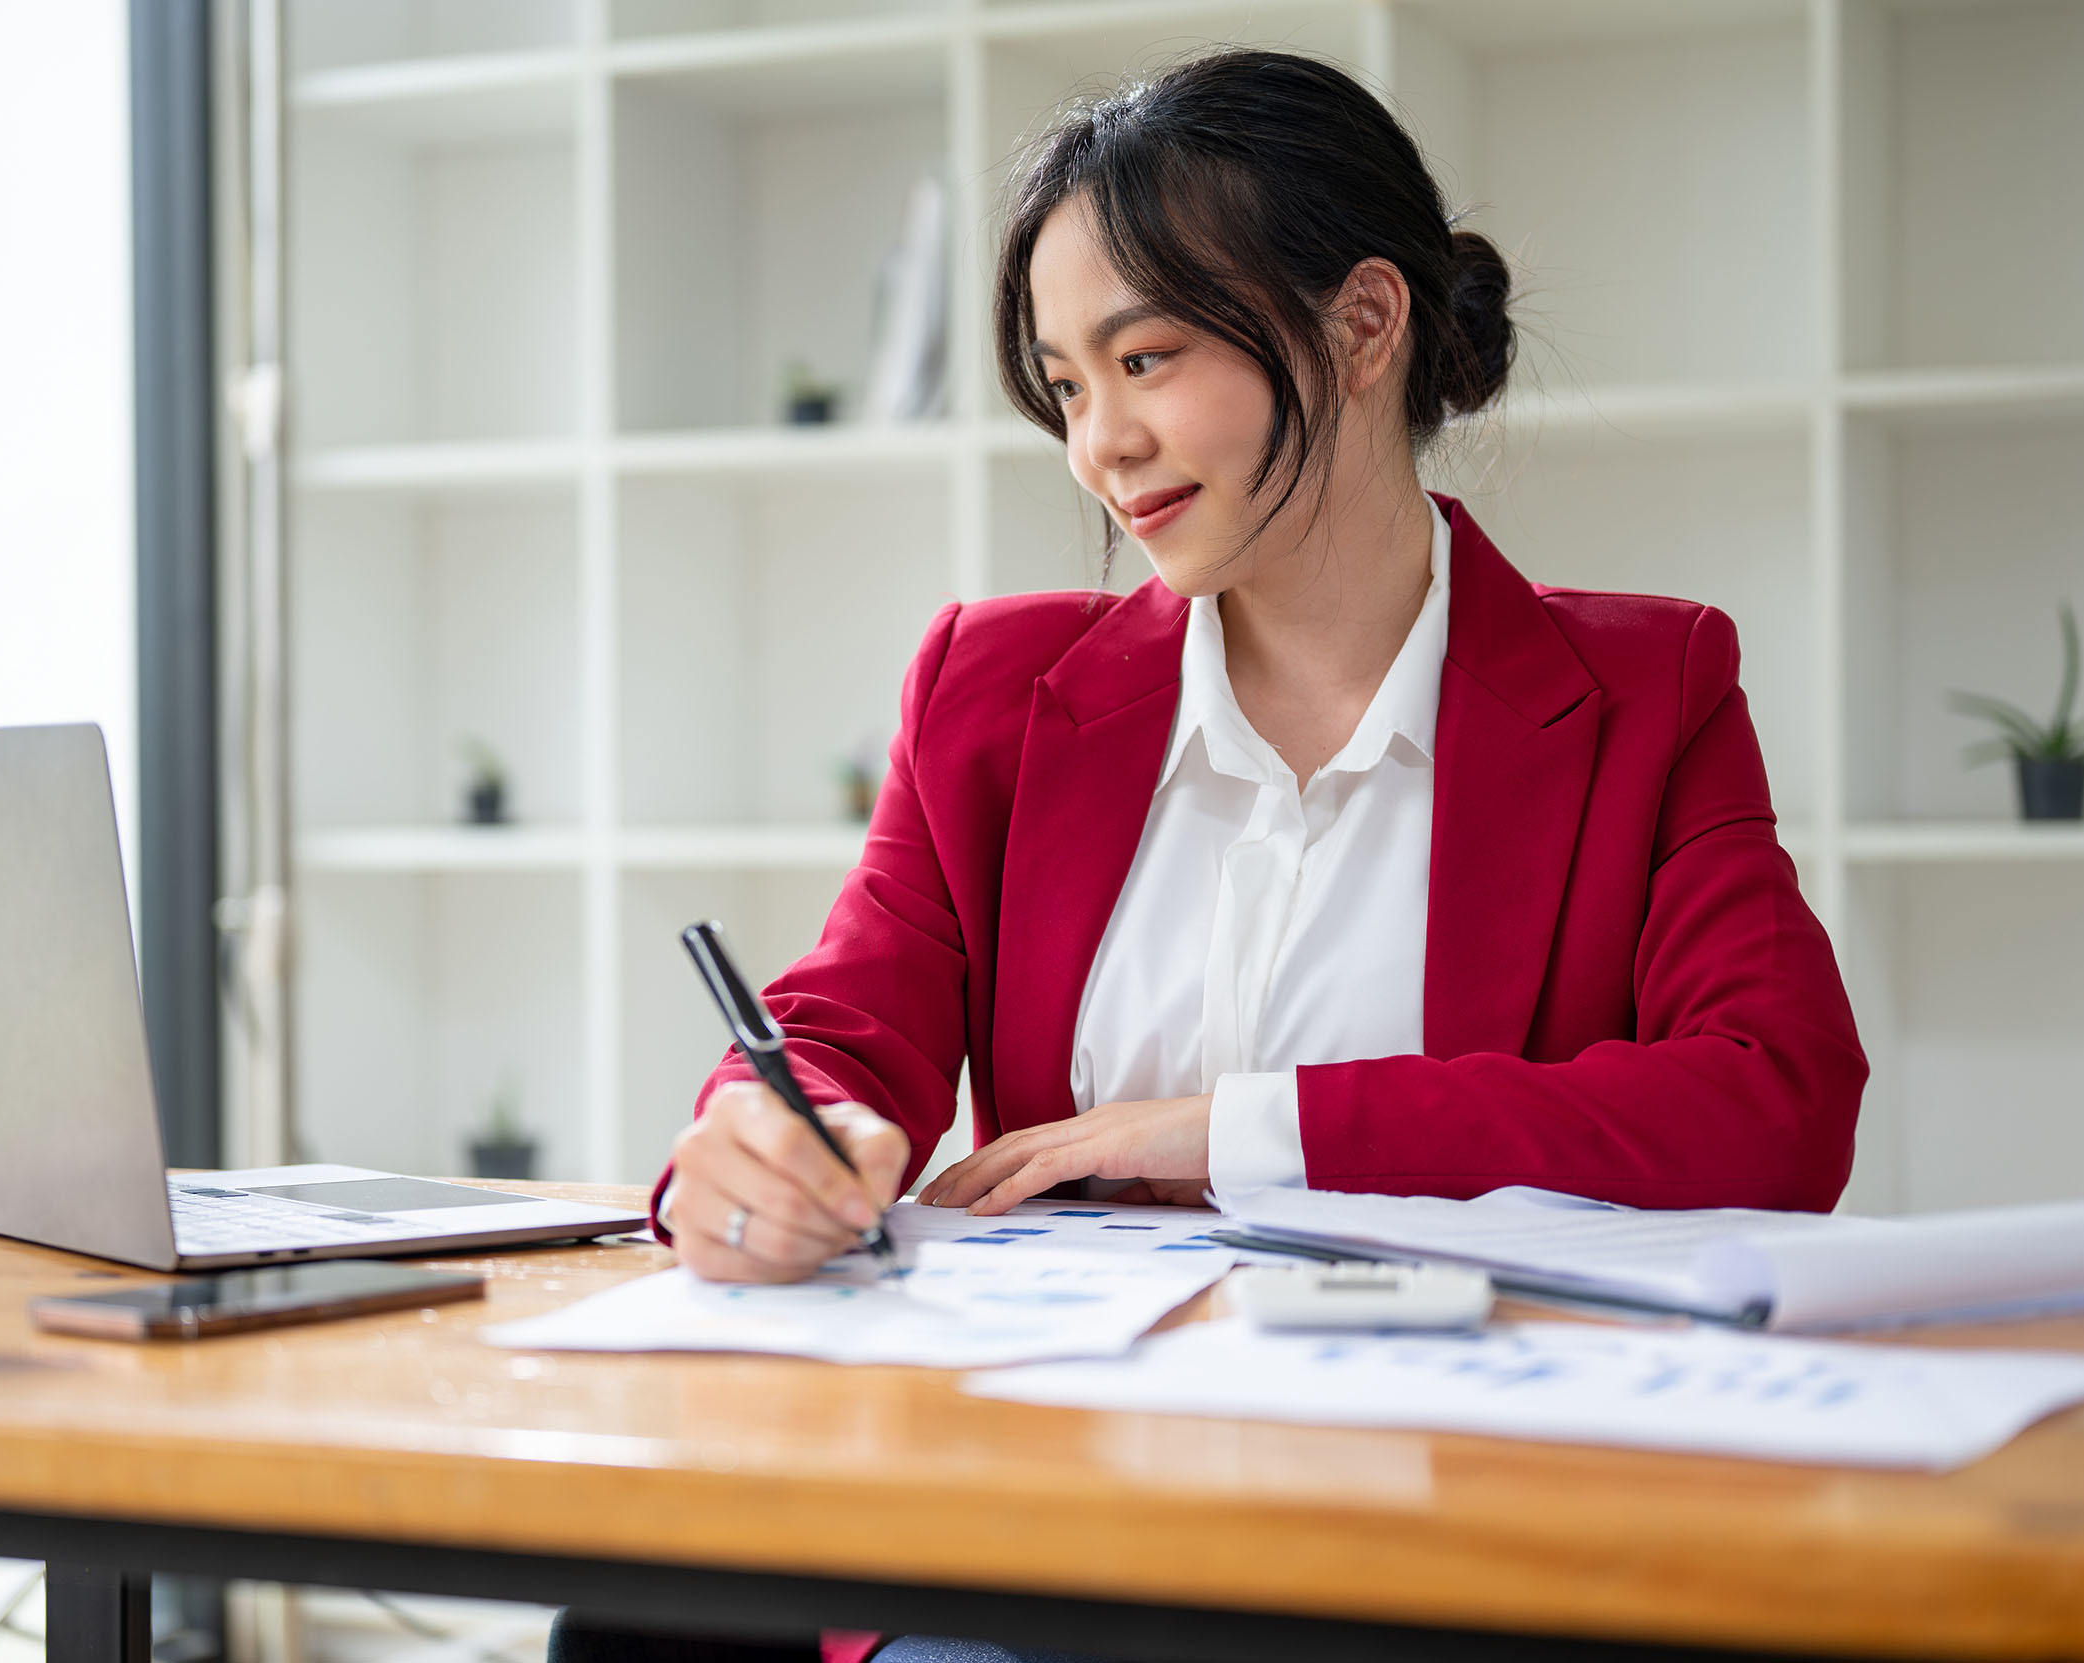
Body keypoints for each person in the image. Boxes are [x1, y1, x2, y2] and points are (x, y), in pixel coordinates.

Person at [565, 46, 1865, 1658]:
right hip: (1051, 1505)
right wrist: (778, 1133)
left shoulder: (1644, 690)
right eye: (1064, 384)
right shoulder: (996, 686)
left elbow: (1777, 1103)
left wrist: (1241, 1129)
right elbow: (847, 1022)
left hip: (1451, 1513)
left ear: (1365, 326)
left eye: (1148, 356)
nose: (1099, 445)